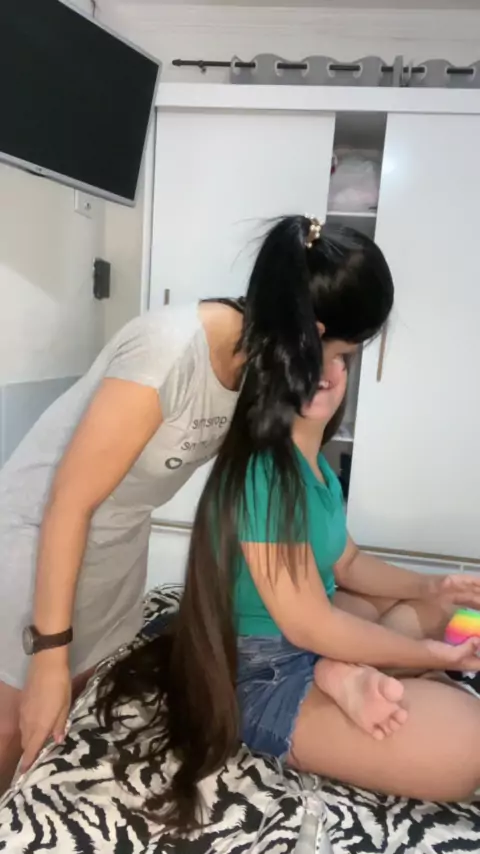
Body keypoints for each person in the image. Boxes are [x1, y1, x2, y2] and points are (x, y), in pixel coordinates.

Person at [98, 216, 480, 833]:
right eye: (314, 352)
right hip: (265, 670)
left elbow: (347, 562)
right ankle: (341, 675)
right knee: (467, 746)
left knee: (436, 612)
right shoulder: (266, 471)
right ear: (277, 354)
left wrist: (428, 588)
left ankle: (346, 672)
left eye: (345, 357)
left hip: (311, 637)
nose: (330, 372)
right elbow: (311, 623)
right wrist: (427, 654)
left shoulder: (316, 466)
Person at [0, 215, 394, 794]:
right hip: (41, 533)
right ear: (308, 331)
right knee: (18, 719)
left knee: (71, 714)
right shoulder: (171, 352)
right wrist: (49, 655)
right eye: (337, 354)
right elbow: (68, 503)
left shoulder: (263, 366)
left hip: (118, 538)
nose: (334, 374)